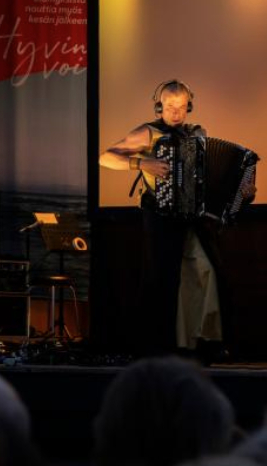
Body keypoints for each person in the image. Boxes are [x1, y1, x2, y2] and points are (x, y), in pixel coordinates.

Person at [101, 79, 249, 357]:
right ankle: (158, 345)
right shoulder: (148, 133)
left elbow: (206, 178)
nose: (176, 113)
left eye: (181, 107)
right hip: (159, 213)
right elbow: (105, 157)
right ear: (159, 106)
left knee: (208, 271)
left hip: (192, 217)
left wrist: (241, 191)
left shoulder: (197, 133)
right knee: (162, 280)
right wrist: (141, 163)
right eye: (170, 107)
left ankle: (203, 342)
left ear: (188, 106)